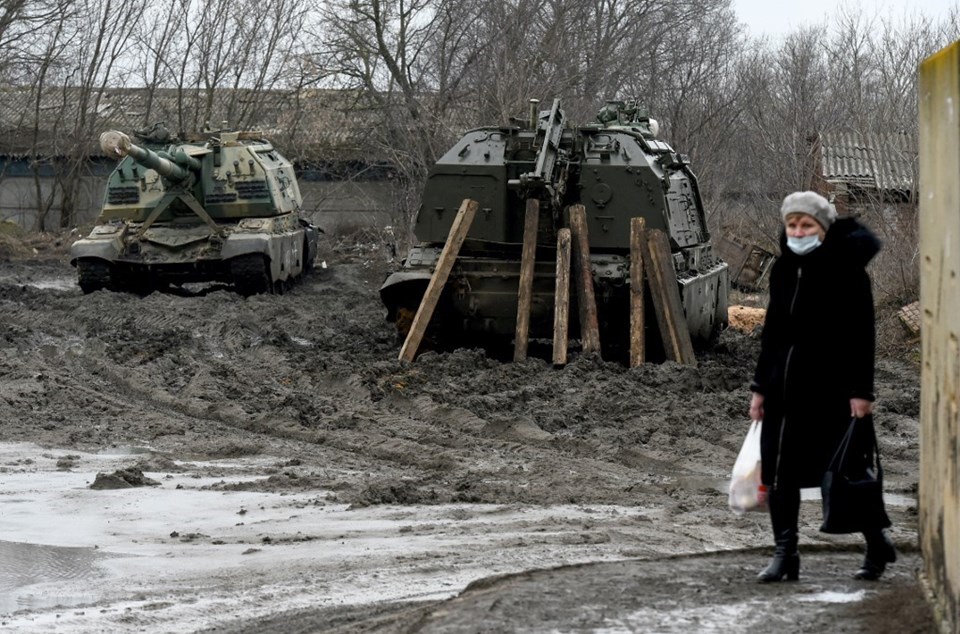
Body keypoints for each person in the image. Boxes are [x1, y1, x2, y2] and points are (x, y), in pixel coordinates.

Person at [748, 190, 896, 582]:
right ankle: (785, 555)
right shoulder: (782, 269)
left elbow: (862, 335)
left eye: (807, 225)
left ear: (824, 228)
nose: (798, 231)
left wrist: (862, 392)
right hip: (783, 390)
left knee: (845, 472)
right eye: (792, 224)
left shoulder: (848, 271)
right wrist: (760, 387)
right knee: (780, 473)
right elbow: (773, 332)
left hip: (832, 391)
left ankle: (876, 544)